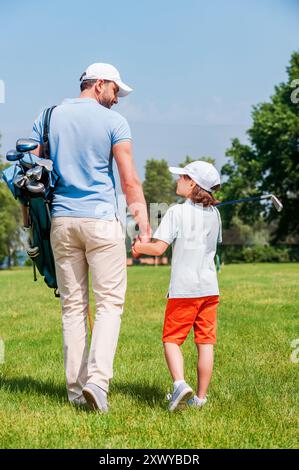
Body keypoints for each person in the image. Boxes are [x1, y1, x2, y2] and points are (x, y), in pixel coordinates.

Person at [28, 63, 151, 412]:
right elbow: (128, 179)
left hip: (62, 223)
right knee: (110, 303)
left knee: (73, 307)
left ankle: (75, 391)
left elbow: (30, 172)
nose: (117, 99)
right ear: (99, 85)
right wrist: (142, 220)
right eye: (115, 91)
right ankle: (97, 381)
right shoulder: (114, 123)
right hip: (101, 221)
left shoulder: (49, 116)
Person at [132, 161, 222, 412]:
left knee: (171, 340)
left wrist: (138, 247)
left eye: (181, 177)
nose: (177, 180)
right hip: (210, 289)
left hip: (184, 290)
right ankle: (201, 398)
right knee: (205, 343)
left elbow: (159, 248)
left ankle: (180, 384)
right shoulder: (215, 214)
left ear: (192, 184)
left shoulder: (176, 212)